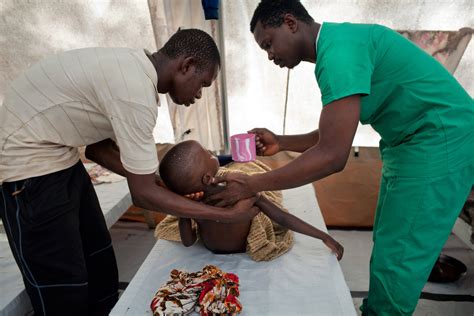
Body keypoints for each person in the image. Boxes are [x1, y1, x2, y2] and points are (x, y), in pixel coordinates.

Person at [207, 1, 474, 315]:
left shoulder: (339, 54)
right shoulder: (338, 45)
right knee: (391, 239)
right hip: (410, 141)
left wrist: (252, 185)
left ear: (290, 23)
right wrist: (281, 142)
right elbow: (334, 131)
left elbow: (334, 155)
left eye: (269, 44)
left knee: (401, 253)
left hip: (438, 140)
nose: (270, 55)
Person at [0, 29, 258, 316]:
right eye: (202, 84)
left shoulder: (132, 69)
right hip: (28, 170)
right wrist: (224, 215)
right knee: (62, 287)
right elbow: (142, 194)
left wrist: (158, 182)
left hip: (60, 155)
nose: (198, 94)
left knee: (98, 263)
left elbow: (97, 150)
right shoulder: (135, 93)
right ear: (186, 65)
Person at [156, 140, 343, 260]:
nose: (213, 153)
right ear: (207, 178)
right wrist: (323, 236)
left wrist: (183, 213)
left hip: (212, 250)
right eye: (209, 153)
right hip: (243, 249)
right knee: (249, 175)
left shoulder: (193, 206)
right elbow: (282, 218)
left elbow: (188, 242)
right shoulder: (240, 192)